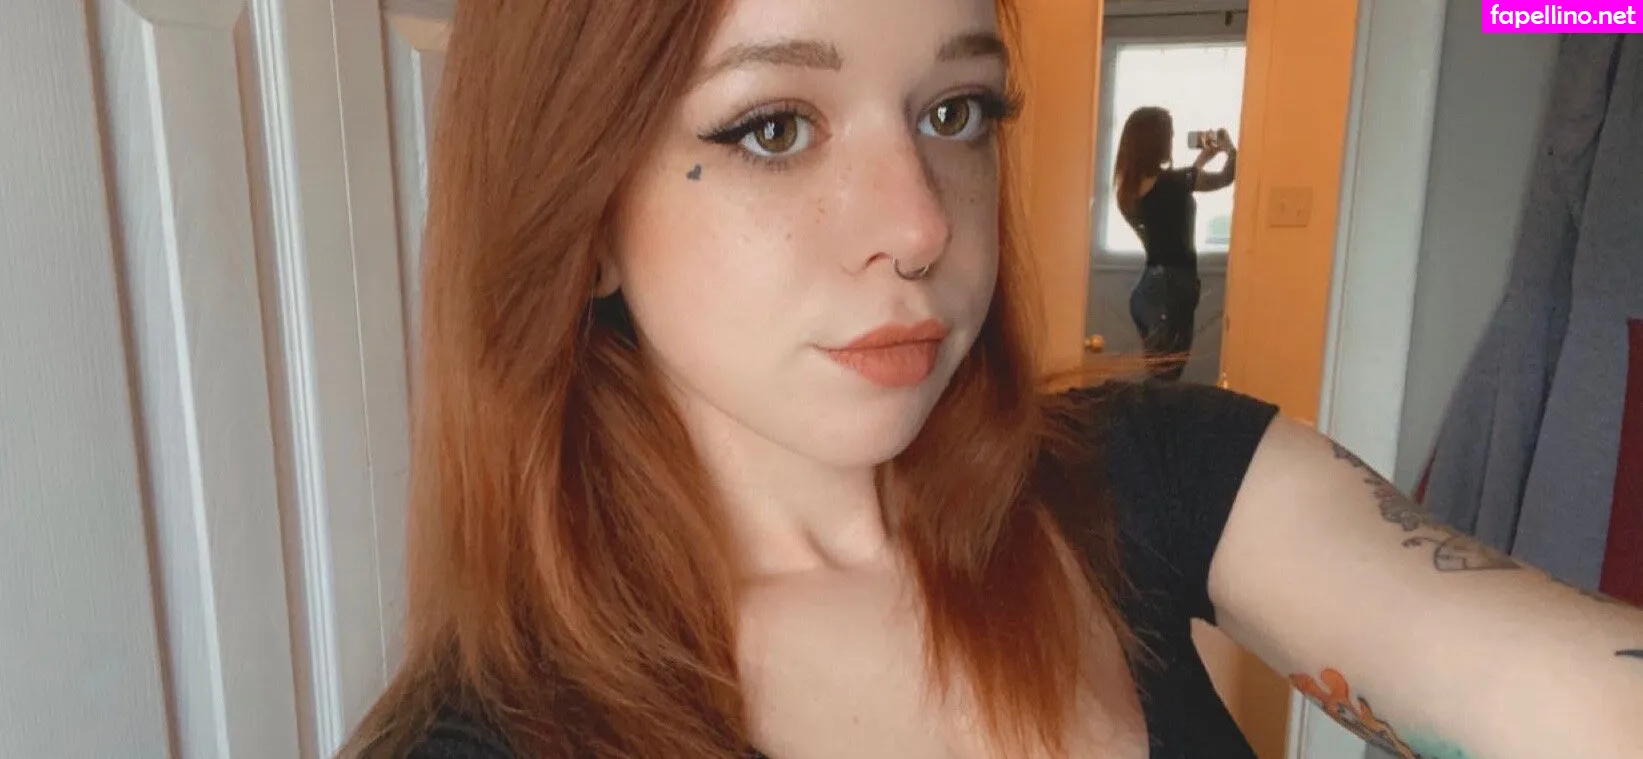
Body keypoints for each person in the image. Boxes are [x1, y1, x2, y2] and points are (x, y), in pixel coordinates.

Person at [339, 1, 1643, 758]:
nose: (919, 225)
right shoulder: (483, 737)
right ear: (579, 217)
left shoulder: (1162, 470)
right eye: (773, 127)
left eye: (953, 111)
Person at [1112, 106, 1237, 382]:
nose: (1171, 142)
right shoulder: (1174, 183)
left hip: (1149, 289)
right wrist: (1230, 150)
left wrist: (1201, 161)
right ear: (1156, 142)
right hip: (1172, 288)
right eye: (1168, 136)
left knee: (1159, 377)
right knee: (1166, 381)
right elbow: (1225, 177)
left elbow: (1167, 200)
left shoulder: (1127, 189)